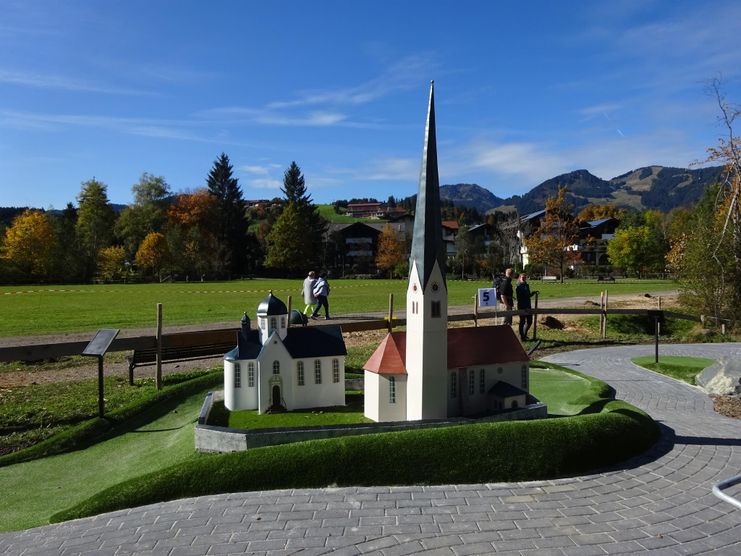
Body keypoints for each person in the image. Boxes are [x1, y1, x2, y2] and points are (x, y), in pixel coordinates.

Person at [515, 273, 538, 341]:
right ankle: (522, 337)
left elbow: (528, 295)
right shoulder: (518, 286)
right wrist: (527, 296)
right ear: (520, 278)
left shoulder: (526, 285)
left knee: (530, 321)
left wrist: (533, 293)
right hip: (522, 306)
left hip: (528, 305)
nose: (524, 279)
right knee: (522, 321)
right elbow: (519, 297)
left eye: (525, 277)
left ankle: (524, 334)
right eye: (522, 277)